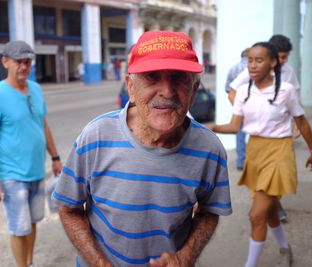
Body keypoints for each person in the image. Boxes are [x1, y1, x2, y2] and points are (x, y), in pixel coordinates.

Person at [53, 31, 232, 267]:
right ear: (131, 87)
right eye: (152, 77)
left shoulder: (210, 149)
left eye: (179, 78)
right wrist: (98, 262)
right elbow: (69, 209)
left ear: (194, 89)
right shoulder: (95, 137)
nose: (167, 92)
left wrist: (185, 257)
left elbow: (209, 212)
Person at [208, 42, 312, 267]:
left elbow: (301, 121)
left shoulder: (286, 90)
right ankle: (285, 248)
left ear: (273, 62)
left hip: (279, 151)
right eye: (250, 60)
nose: (252, 65)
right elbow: (235, 126)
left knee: (256, 214)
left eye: (259, 60)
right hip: (255, 150)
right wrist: (212, 127)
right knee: (270, 210)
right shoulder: (244, 92)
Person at [0, 40, 63, 267]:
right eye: (19, 62)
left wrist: (55, 158)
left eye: (28, 62)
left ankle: (29, 262)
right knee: (19, 227)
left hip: (37, 171)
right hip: (12, 175)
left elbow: (42, 124)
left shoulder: (35, 89)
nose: (24, 67)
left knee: (34, 221)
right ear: (5, 62)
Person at [229, 35, 300, 222]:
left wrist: (296, 122)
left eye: (286, 57)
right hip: (256, 131)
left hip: (279, 137)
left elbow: (293, 100)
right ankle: (268, 206)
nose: (284, 61)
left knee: (276, 174)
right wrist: (242, 110)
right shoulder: (252, 71)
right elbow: (233, 89)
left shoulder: (288, 72)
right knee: (258, 173)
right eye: (282, 57)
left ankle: (272, 206)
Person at [225, 48, 249, 170]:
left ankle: (241, 162)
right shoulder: (254, 68)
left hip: (238, 105)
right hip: (255, 104)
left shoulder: (233, 68)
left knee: (239, 134)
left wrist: (237, 105)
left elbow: (228, 89)